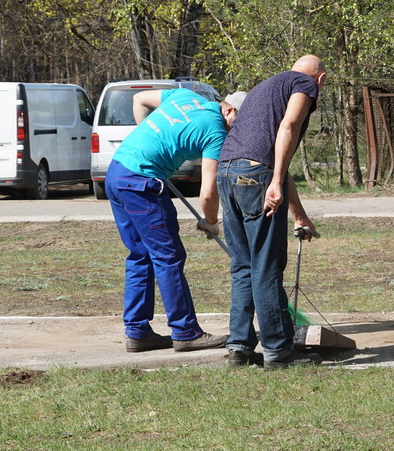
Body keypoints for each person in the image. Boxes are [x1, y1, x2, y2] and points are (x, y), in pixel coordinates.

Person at [106, 86, 246, 353]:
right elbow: (208, 192)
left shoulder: (186, 97)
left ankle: (137, 332)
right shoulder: (216, 131)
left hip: (118, 170)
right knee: (168, 257)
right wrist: (211, 221)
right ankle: (185, 332)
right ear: (228, 109)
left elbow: (139, 99)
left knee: (140, 255)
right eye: (236, 124)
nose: (234, 132)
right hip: (141, 183)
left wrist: (149, 143)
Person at [218, 55, 326, 369]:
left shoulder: (264, 88)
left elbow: (273, 158)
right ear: (319, 80)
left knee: (243, 266)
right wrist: (275, 180)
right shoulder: (304, 83)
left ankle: (239, 348)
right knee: (266, 265)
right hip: (255, 176)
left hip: (226, 172)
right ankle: (279, 352)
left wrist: (299, 215)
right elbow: (289, 126)